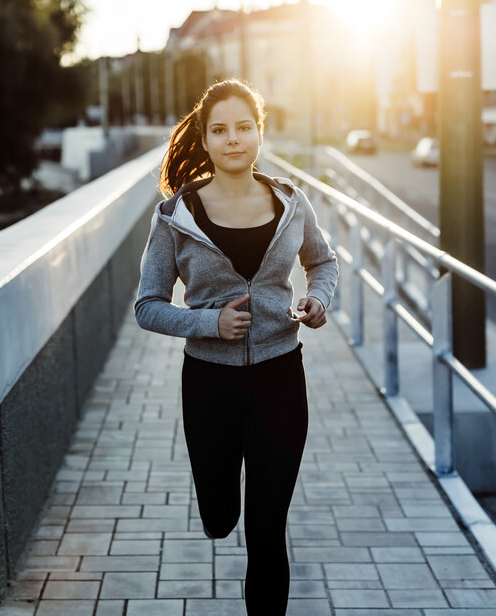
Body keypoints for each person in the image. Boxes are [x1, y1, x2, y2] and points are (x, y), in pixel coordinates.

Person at [135, 79, 338, 614]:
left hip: (280, 379)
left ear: (259, 132)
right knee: (222, 516)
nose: (233, 139)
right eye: (220, 130)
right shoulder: (175, 216)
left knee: (267, 532)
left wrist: (318, 300)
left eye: (244, 127)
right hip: (210, 385)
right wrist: (207, 323)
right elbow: (147, 305)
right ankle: (218, 508)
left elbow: (323, 262)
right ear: (204, 139)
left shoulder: (293, 203)